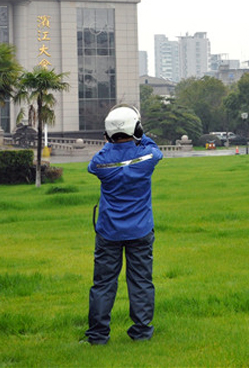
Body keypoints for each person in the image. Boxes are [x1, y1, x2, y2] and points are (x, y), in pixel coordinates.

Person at [85, 105, 163, 345]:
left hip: (109, 230)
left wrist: (112, 142)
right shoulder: (147, 157)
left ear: (108, 134)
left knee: (103, 284)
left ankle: (98, 335)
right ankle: (141, 332)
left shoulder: (101, 162)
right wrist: (139, 133)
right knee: (141, 282)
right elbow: (155, 149)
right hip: (140, 229)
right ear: (136, 129)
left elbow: (92, 164)